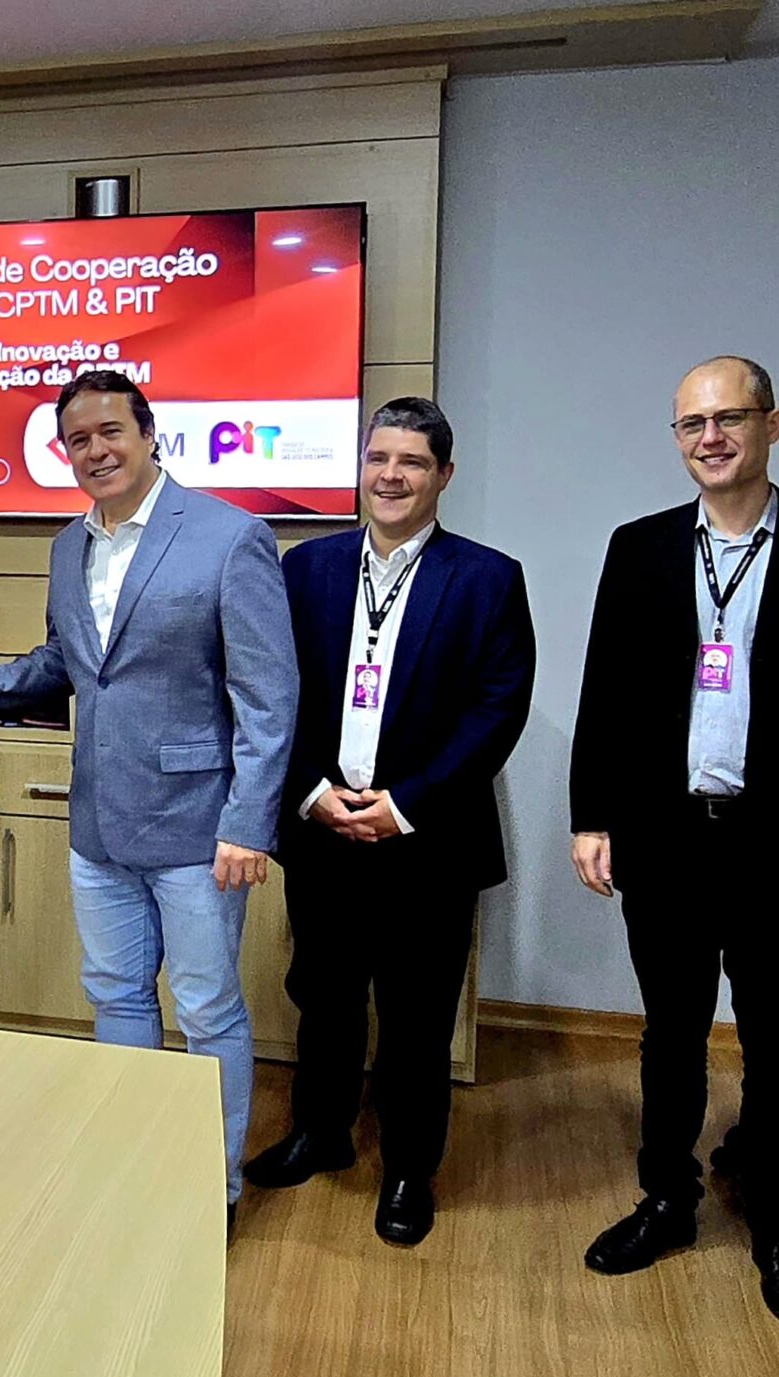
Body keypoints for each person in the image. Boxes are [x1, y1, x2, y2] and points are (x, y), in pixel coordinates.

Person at [568, 356, 779, 1328]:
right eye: (691, 423)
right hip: (666, 839)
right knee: (669, 1034)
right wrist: (592, 816)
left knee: (776, 1046)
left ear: (772, 425)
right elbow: (605, 689)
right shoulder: (640, 547)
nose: (709, 437)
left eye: (729, 418)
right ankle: (666, 1198)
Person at [0, 368, 297, 1220]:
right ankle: (136, 1165)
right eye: (78, 439)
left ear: (149, 434)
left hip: (199, 830)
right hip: (98, 824)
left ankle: (210, 1188)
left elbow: (268, 696)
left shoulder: (230, 536)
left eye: (110, 432)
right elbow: (63, 663)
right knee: (116, 996)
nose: (95, 450)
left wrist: (249, 823)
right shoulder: (70, 545)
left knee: (206, 1009)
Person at [240, 397, 536, 1246]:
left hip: (427, 842)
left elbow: (497, 709)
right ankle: (321, 1132)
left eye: (412, 461)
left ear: (444, 474)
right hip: (324, 829)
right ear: (361, 466)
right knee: (322, 997)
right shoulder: (307, 569)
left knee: (416, 1017)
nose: (392, 476)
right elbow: (273, 693)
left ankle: (409, 1168)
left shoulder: (487, 577)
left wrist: (406, 804)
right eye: (379, 458)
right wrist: (309, 790)